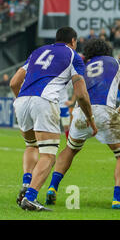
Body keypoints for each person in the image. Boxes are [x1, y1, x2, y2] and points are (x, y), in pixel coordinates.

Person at [9, 26, 96, 211]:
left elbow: (14, 82)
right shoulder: (73, 56)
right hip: (45, 100)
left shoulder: (38, 51)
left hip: (22, 100)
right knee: (48, 154)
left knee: (31, 145)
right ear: (73, 41)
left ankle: (27, 182)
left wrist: (23, 101)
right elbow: (81, 94)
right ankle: (31, 197)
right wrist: (90, 117)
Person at [44, 38, 120, 210]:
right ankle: (118, 200)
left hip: (81, 111)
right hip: (105, 112)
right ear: (108, 51)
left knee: (70, 149)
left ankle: (52, 187)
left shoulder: (83, 66)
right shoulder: (116, 63)